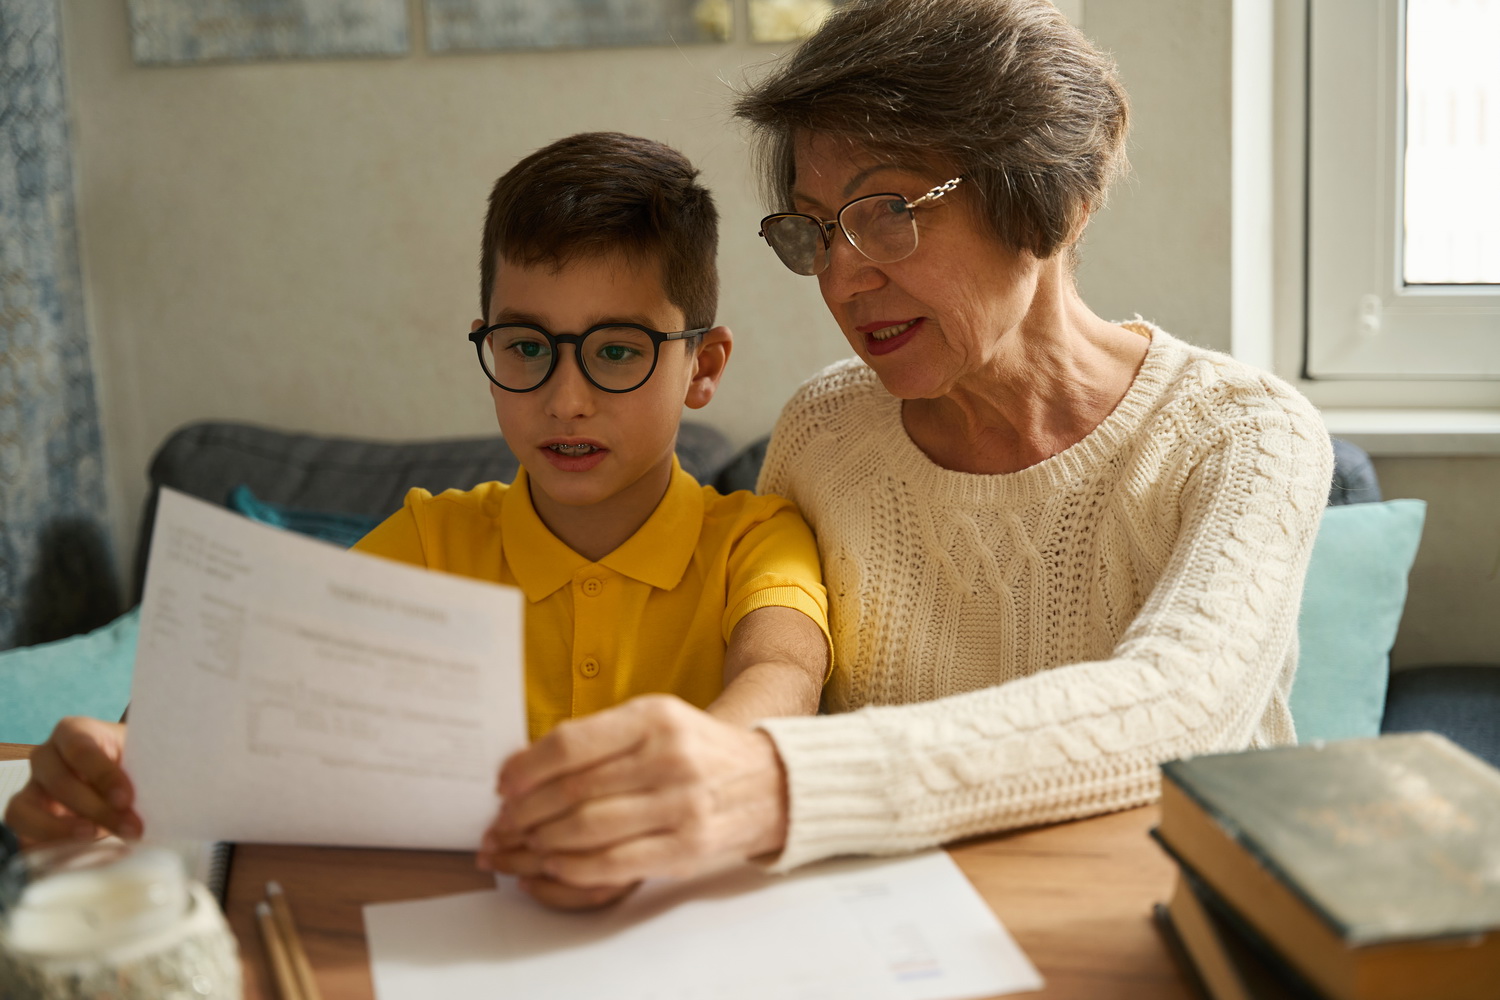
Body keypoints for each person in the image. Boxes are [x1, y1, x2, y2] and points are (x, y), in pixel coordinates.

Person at [480, 0, 1335, 903]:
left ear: (1053, 204)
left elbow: (1180, 709)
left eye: (887, 212)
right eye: (815, 229)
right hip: (886, 944)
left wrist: (768, 782)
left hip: (1159, 937)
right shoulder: (822, 435)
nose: (845, 278)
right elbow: (772, 672)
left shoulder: (1242, 435)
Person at [5, 132, 832, 909]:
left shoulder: (756, 539)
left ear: (703, 365)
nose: (565, 398)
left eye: (617, 350)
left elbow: (781, 676)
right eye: (526, 346)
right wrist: (109, 772)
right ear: (487, 344)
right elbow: (219, 702)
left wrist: (692, 778)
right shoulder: (431, 541)